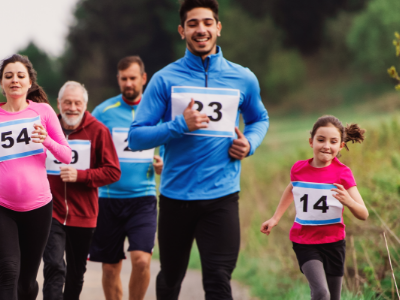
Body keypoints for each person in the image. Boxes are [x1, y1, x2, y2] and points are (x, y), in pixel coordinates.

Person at [128, 0, 271, 298]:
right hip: (175, 197)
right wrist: (178, 125)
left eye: (207, 22)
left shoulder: (243, 77)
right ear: (182, 30)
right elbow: (137, 137)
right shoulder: (164, 80)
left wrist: (250, 143)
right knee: (170, 280)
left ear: (218, 28)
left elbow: (259, 119)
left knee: (218, 280)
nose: (201, 29)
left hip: (222, 197)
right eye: (192, 24)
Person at [0, 54, 72, 300]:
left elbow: (66, 155)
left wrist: (48, 140)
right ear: (1, 83)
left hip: (38, 207)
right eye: (8, 76)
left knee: (27, 282)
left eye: (20, 76)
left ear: (30, 81)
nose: (14, 80)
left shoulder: (43, 112)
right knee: (9, 272)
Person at [260, 115, 368, 300]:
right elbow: (292, 187)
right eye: (321, 140)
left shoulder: (343, 173)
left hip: (334, 243)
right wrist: (275, 218)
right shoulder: (298, 169)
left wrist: (348, 201)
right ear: (311, 142)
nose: (326, 145)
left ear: (340, 145)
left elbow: (364, 214)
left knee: (334, 298)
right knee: (321, 293)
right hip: (305, 241)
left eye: (333, 141)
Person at [90, 56, 163, 300]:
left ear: (143, 78)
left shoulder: (157, 113)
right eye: (123, 79)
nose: (128, 83)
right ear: (118, 80)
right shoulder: (103, 112)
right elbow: (88, 147)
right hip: (107, 200)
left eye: (133, 78)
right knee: (111, 268)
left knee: (142, 261)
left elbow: (168, 149)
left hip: (143, 198)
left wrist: (165, 164)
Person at [42, 81, 121, 300]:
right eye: (67, 102)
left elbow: (113, 172)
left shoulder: (98, 131)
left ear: (85, 105)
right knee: (54, 266)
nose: (72, 108)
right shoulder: (47, 129)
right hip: (51, 212)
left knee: (76, 274)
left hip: (84, 214)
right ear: (58, 104)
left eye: (77, 103)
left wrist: (81, 175)